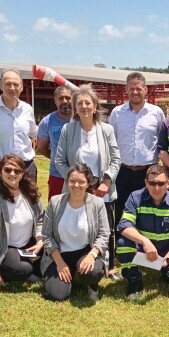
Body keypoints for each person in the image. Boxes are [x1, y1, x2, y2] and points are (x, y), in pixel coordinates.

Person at [55, 84, 120, 279]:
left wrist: (106, 182)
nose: (84, 106)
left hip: (102, 189)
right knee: (80, 226)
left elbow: (116, 159)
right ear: (75, 107)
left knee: (105, 227)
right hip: (77, 189)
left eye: (87, 102)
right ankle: (78, 260)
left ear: (95, 106)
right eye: (80, 103)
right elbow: (59, 161)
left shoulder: (106, 129)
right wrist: (77, 182)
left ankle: (109, 266)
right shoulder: (68, 129)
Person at [108, 71, 166, 279]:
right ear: (126, 90)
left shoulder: (157, 113)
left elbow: (161, 141)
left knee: (146, 213)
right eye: (131, 88)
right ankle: (117, 255)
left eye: (138, 87)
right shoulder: (116, 113)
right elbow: (111, 141)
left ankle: (145, 253)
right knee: (121, 213)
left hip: (148, 173)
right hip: (123, 172)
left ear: (145, 90)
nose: (135, 91)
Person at [116, 164, 169, 299]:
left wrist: (168, 259)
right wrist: (145, 241)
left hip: (168, 250)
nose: (156, 188)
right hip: (143, 249)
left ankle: (165, 269)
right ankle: (134, 280)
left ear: (168, 184)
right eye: (152, 183)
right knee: (123, 244)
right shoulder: (135, 197)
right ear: (146, 183)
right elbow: (124, 225)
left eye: (160, 183)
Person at [41, 164, 111, 302]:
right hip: (59, 253)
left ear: (88, 183)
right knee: (58, 295)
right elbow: (47, 235)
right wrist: (60, 263)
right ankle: (69, 275)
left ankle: (90, 283)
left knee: (92, 272)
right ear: (66, 181)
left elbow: (104, 234)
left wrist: (92, 255)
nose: (76, 185)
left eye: (81, 182)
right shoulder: (55, 202)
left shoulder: (97, 203)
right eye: (72, 181)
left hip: (85, 251)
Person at [0, 155, 44, 295]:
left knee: (54, 246)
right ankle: (2, 271)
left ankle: (33, 268)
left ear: (23, 174)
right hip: (6, 247)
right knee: (23, 269)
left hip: (30, 244)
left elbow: (40, 219)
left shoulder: (30, 193)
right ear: (0, 172)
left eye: (17, 171)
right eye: (7, 170)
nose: (12, 174)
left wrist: (40, 240)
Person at [0, 68, 38, 182]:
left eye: (16, 84)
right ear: (1, 86)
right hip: (1, 167)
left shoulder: (27, 109)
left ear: (21, 87)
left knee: (29, 199)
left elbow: (34, 132)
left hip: (26, 167)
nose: (12, 88)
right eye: (8, 84)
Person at [36, 85, 73, 200]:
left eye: (68, 97)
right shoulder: (47, 121)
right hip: (57, 174)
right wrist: (55, 157)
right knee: (56, 209)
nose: (65, 101)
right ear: (55, 100)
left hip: (80, 174)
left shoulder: (81, 118)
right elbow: (41, 147)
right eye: (61, 98)